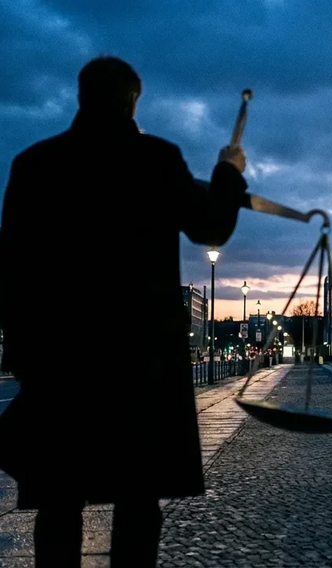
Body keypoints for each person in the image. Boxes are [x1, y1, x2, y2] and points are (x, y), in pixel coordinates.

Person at [0, 56, 248, 567]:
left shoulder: (34, 164)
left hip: (60, 361)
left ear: (80, 96)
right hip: (142, 363)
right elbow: (210, 228)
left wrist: (23, 357)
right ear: (135, 101)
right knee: (138, 500)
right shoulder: (156, 159)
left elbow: (12, 269)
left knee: (58, 503)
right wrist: (228, 171)